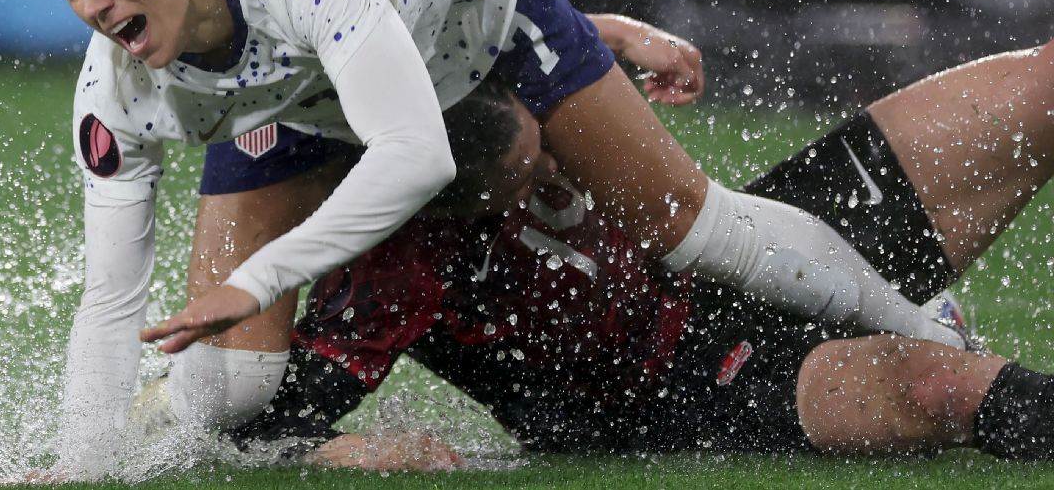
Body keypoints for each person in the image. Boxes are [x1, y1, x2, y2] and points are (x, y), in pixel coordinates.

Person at [26, 0, 964, 477]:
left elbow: (416, 154)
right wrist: (78, 468)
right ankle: (155, 432)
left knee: (692, 228)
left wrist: (263, 276)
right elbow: (112, 296)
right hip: (318, 90)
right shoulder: (115, 91)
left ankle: (924, 326)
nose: (91, 2)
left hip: (477, 19)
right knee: (237, 386)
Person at [218, 46, 1054, 467]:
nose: (559, 163)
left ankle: (904, 315)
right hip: (682, 388)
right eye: (523, 179)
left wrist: (613, 32)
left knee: (1040, 87)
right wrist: (338, 450)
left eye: (544, 140)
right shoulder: (390, 271)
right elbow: (245, 422)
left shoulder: (468, 48)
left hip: (743, 247)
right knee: (939, 382)